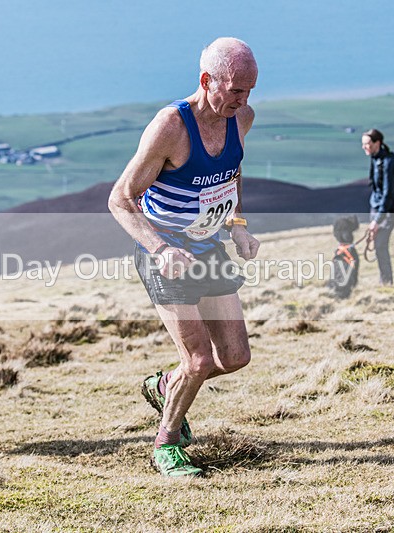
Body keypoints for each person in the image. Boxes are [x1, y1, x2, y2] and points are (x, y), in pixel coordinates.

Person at [108, 37, 260, 477]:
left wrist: (238, 226)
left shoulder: (241, 118)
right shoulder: (170, 127)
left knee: (234, 358)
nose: (242, 100)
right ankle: (166, 444)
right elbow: (121, 198)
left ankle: (164, 386)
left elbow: (232, 174)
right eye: (234, 89)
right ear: (206, 80)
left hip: (208, 248)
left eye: (249, 90)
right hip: (165, 252)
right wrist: (159, 248)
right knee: (198, 361)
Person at [361, 128, 394, 285]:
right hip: (377, 207)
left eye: (367, 144)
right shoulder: (375, 159)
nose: (364, 147)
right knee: (379, 246)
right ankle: (384, 281)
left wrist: (377, 220)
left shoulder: (388, 164)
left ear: (377, 143)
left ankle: (386, 282)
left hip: (387, 211)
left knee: (380, 245)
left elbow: (388, 194)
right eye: (363, 144)